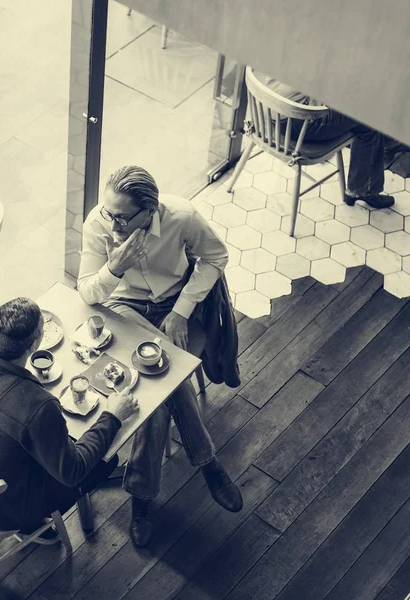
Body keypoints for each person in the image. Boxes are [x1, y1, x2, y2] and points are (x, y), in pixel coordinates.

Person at [77, 165, 244, 548]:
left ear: (149, 210)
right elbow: (88, 294)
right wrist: (114, 266)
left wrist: (182, 309)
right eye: (109, 213)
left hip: (174, 304)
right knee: (162, 376)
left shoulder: (181, 217)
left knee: (155, 388)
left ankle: (141, 495)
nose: (113, 223)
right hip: (125, 306)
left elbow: (216, 256)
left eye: (122, 216)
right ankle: (208, 463)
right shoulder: (98, 225)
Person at [0, 297, 138, 540]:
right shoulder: (37, 406)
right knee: (107, 461)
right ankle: (30, 524)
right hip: (2, 509)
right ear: (35, 344)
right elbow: (73, 471)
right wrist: (113, 416)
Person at [256, 71, 395, 210]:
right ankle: (364, 190)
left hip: (269, 114)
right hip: (298, 122)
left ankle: (361, 186)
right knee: (371, 115)